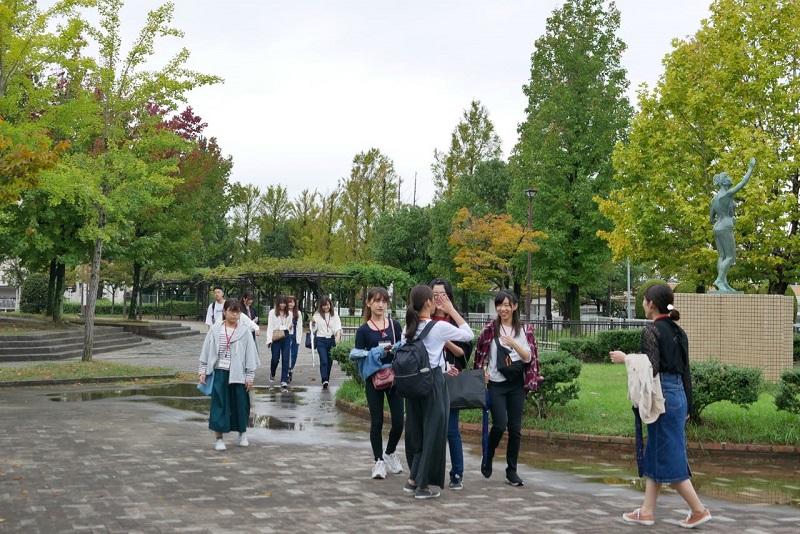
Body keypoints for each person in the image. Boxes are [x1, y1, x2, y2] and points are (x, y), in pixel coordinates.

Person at [609, 283, 712, 529]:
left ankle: (698, 510)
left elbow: (651, 368)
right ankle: (646, 511)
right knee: (657, 451)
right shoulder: (679, 331)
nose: (643, 304)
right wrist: (689, 405)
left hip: (662, 396)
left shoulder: (651, 331)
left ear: (651, 304)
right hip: (678, 397)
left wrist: (626, 358)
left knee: (669, 455)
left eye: (643, 301)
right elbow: (686, 372)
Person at [403, 284, 473, 500]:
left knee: (419, 434)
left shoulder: (409, 329)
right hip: (433, 385)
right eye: (434, 299)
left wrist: (443, 367)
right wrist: (451, 310)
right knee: (433, 433)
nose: (437, 302)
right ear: (428, 303)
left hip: (414, 386)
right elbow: (468, 335)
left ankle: (413, 479)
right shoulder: (437, 327)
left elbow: (421, 355)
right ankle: (422, 486)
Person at [473, 290, 540, 487]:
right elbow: (480, 356)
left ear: (515, 306)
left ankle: (512, 470)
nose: (503, 309)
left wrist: (513, 344)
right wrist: (482, 372)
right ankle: (489, 453)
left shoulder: (524, 330)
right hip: (495, 384)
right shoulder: (489, 330)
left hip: (516, 384)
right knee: (500, 424)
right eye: (499, 305)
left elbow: (529, 357)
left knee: (516, 429)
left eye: (507, 305)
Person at [352, 287, 404, 480]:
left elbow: (403, 349)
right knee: (377, 421)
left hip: (394, 378)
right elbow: (357, 355)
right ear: (368, 303)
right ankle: (379, 461)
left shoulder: (395, 326)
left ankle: (390, 452)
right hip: (374, 379)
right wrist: (374, 353)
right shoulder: (363, 330)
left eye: (383, 301)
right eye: (376, 301)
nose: (380, 304)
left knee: (399, 421)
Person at [429, 278, 473, 491]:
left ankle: (457, 472)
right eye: (435, 294)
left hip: (451, 380)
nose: (438, 298)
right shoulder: (425, 318)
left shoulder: (455, 321)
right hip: (429, 379)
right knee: (430, 428)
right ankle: (428, 471)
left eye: (442, 294)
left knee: (451, 429)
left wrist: (451, 311)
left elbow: (466, 347)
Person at [198, 298, 259, 451]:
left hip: (238, 374)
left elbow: (250, 355)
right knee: (219, 405)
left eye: (237, 311)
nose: (234, 314)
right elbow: (206, 351)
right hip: (220, 372)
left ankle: (242, 433)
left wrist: (250, 376)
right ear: (224, 311)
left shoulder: (244, 331)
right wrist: (203, 370)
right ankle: (219, 438)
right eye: (231, 311)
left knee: (241, 404)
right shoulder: (215, 329)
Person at [710, 157, 755, 292]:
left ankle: (723, 283)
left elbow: (711, 218)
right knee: (730, 257)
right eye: (728, 177)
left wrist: (725, 216)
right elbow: (743, 182)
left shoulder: (714, 198)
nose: (731, 178)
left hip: (717, 227)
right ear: (724, 182)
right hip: (725, 227)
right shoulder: (727, 194)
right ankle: (719, 280)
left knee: (722, 256)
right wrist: (750, 168)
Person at [311, 296, 342, 389]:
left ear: (330, 305)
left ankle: (326, 379)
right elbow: (314, 329)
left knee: (329, 361)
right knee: (323, 360)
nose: (326, 307)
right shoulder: (317, 315)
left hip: (331, 340)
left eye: (327, 305)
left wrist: (337, 339)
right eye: (324, 305)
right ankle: (324, 379)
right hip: (321, 340)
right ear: (321, 306)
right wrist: (312, 324)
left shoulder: (335, 315)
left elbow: (338, 328)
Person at [266, 295, 292, 391]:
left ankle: (284, 380)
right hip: (275, 336)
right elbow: (270, 327)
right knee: (275, 358)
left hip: (285, 336)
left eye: (284, 303)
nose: (282, 305)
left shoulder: (289, 313)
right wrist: (269, 340)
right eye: (281, 303)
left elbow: (289, 326)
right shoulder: (272, 312)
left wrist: (284, 328)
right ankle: (272, 373)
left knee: (285, 358)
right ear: (277, 303)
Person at [285, 296, 303, 384]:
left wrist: (298, 340)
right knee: (287, 355)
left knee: (294, 355)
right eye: (289, 302)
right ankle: (287, 373)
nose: (290, 304)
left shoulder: (298, 313)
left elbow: (300, 327)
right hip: (286, 336)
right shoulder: (284, 312)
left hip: (295, 336)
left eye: (292, 302)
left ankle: (290, 369)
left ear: (295, 303)